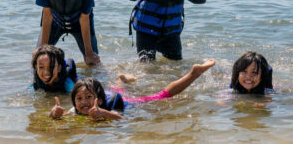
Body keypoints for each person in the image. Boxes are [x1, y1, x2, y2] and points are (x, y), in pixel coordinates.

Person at [49, 59, 215, 120]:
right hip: (109, 94)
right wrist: (55, 113)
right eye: (79, 99)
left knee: (160, 96)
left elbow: (120, 118)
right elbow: (63, 115)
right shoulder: (77, 108)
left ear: (98, 101)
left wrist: (104, 114)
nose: (83, 102)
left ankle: (194, 73)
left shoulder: (105, 104)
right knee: (118, 88)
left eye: (87, 97)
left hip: (126, 103)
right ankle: (121, 78)